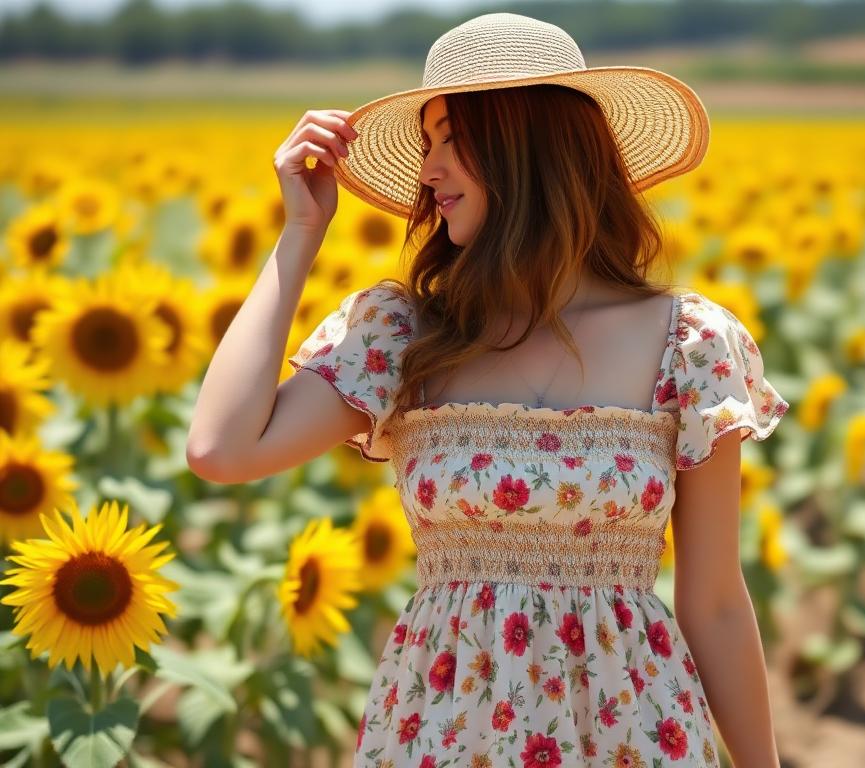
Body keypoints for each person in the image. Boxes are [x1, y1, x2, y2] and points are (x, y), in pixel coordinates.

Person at [187, 12, 790, 767]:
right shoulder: (405, 335)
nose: (428, 171)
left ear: (529, 147)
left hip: (631, 736)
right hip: (444, 735)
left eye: (451, 140)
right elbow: (219, 449)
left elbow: (716, 601)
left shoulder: (690, 342)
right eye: (426, 145)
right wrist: (298, 234)